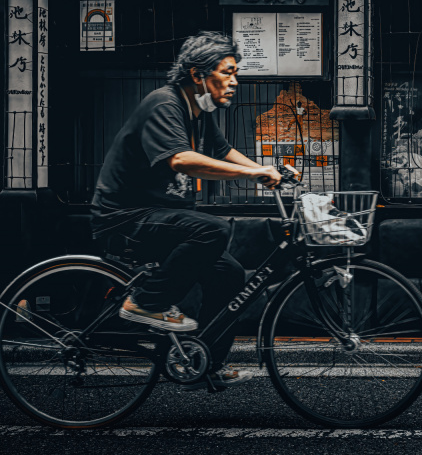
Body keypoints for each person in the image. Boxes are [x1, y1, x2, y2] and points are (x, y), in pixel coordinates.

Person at [90, 31, 299, 390]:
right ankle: (145, 304)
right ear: (197, 73)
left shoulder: (199, 111)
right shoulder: (165, 104)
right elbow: (182, 159)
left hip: (160, 218)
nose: (235, 81)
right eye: (227, 72)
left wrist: (267, 172)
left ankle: (206, 363)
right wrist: (254, 172)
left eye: (236, 73)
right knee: (213, 229)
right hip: (125, 218)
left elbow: (221, 151)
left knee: (230, 274)